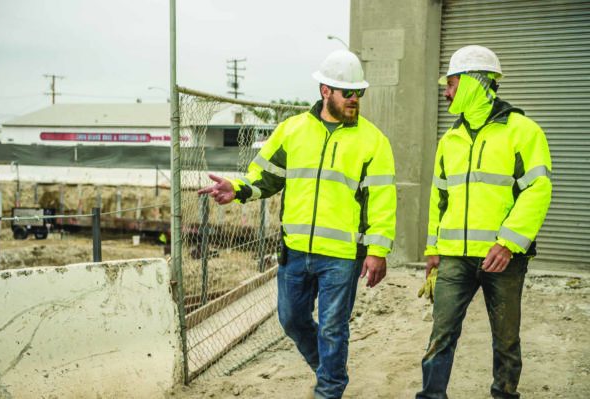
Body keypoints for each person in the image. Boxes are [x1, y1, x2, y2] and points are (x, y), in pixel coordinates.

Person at [198, 49, 396, 398]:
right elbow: (266, 177)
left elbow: (381, 201)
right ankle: (328, 369)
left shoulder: (373, 141)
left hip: (342, 255)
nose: (354, 99)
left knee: (334, 328)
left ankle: (329, 389)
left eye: (359, 93)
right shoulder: (292, 131)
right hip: (295, 251)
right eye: (347, 92)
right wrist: (238, 189)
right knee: (291, 320)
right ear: (325, 91)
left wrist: (377, 251)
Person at [416, 45, 552, 399]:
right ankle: (431, 396)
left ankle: (504, 394)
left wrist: (508, 242)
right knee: (440, 335)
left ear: (474, 83)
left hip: (502, 258)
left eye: (451, 84)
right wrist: (433, 250)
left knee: (506, 339)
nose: (446, 92)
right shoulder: (450, 140)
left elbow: (538, 190)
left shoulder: (523, 131)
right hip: (454, 258)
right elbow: (439, 199)